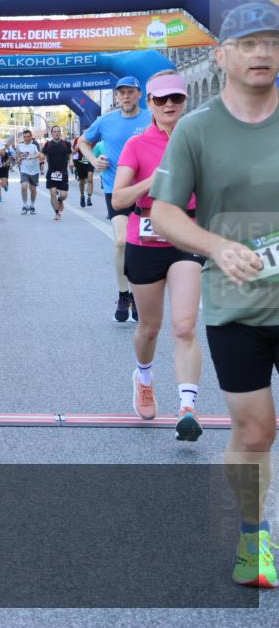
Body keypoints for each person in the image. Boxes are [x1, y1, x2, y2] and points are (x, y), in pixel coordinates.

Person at [150, 1, 279, 588]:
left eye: (272, 43)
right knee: (255, 432)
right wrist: (215, 247)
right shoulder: (198, 127)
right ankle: (253, 536)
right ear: (221, 55)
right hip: (237, 306)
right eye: (250, 44)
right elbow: (165, 213)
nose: (263, 54)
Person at [110, 71, 203, 440]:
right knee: (150, 327)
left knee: (185, 325)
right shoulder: (137, 145)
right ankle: (144, 377)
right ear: (149, 102)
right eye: (161, 99)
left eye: (176, 99)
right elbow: (118, 200)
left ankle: (187, 407)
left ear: (184, 102)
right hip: (145, 239)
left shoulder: (199, 141)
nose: (169, 105)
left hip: (186, 236)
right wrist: (154, 179)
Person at [79, 76, 152, 323]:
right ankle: (124, 294)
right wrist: (93, 160)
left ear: (139, 94)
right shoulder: (105, 121)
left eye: (130, 92)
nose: (125, 97)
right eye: (121, 93)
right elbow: (82, 141)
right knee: (121, 242)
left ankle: (139, 296)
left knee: (141, 245)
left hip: (146, 191)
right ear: (116, 97)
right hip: (116, 189)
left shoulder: (151, 117)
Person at [42, 125, 72, 221]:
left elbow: (70, 154)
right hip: (52, 173)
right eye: (55, 131)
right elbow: (42, 155)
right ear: (52, 133)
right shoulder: (48, 145)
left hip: (63, 173)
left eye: (58, 131)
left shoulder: (66, 144)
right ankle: (57, 213)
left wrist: (71, 161)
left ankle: (60, 200)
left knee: (63, 195)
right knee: (53, 193)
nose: (57, 133)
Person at [15, 129, 43, 216]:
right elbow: (17, 158)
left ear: (31, 137)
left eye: (28, 137)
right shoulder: (19, 146)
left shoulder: (35, 145)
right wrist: (18, 160)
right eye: (25, 137)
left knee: (33, 189)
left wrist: (33, 156)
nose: (26, 138)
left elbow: (40, 155)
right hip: (24, 170)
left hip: (34, 171)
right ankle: (24, 205)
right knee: (24, 186)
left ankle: (32, 205)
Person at [72, 134, 94, 207]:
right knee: (82, 181)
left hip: (90, 161)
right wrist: (77, 147)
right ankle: (82, 196)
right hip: (80, 162)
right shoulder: (78, 139)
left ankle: (89, 198)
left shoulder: (93, 139)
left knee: (90, 179)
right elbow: (74, 151)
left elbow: (95, 150)